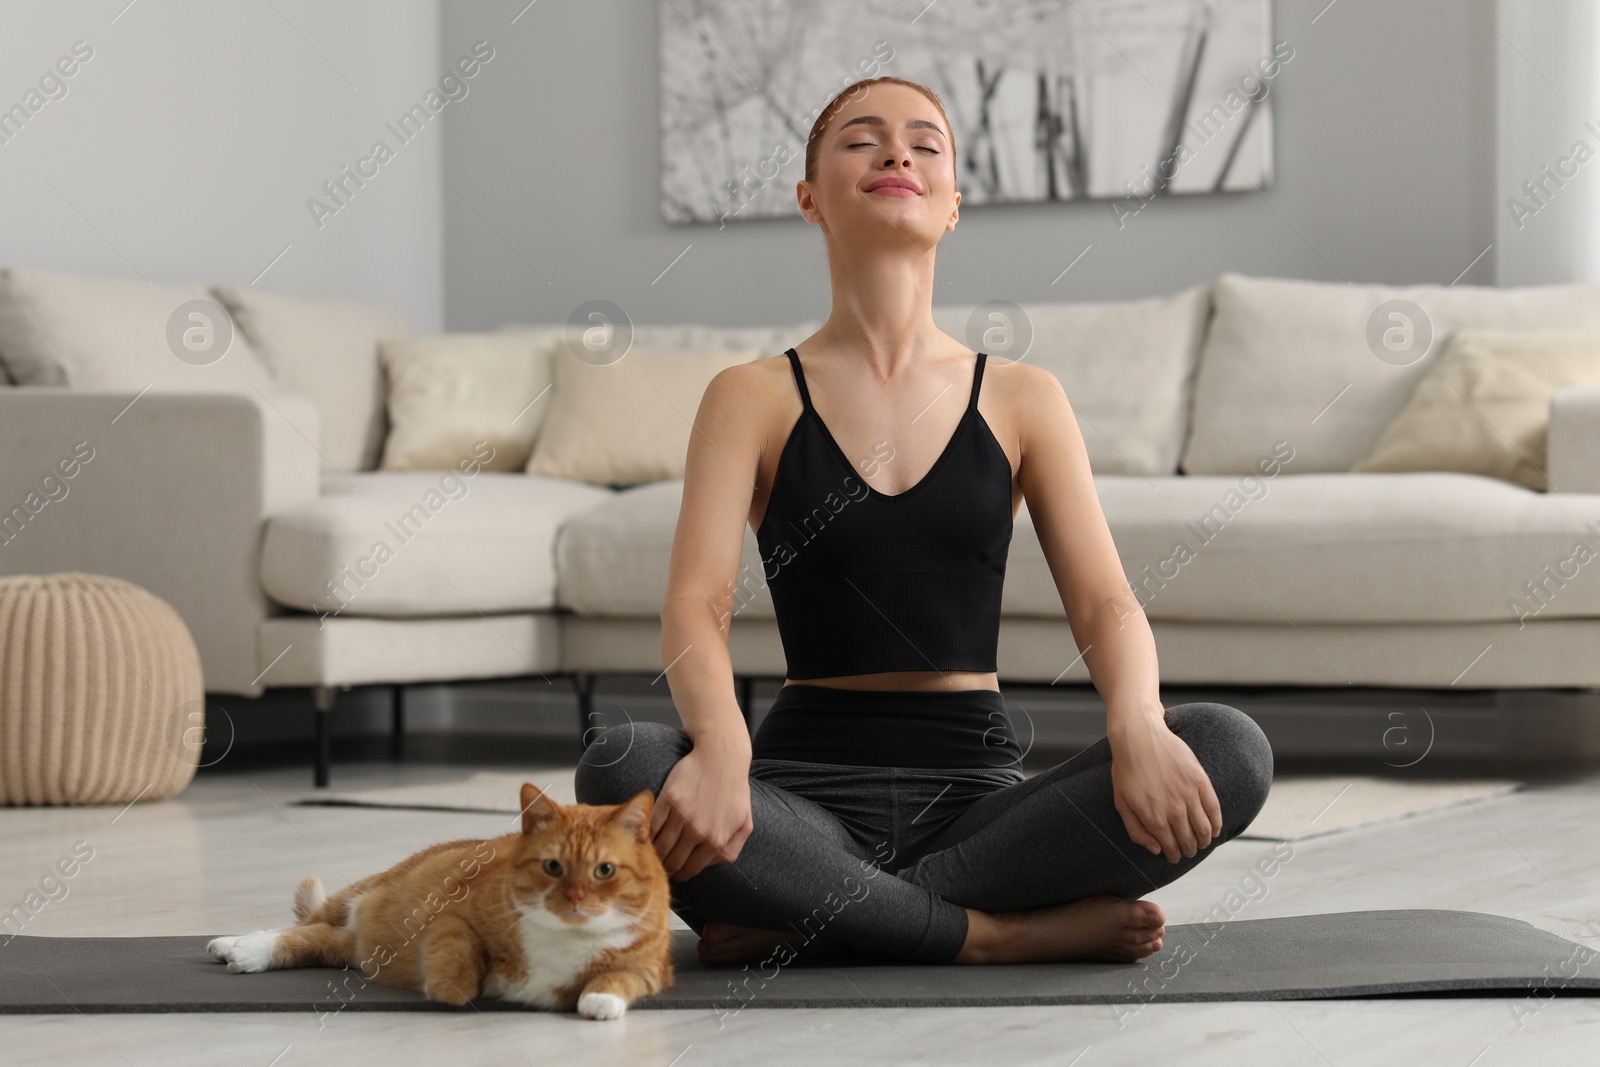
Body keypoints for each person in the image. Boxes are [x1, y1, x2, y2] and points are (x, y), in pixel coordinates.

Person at [575, 76, 1273, 967]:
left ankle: (824, 921)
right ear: (808, 197)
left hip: (981, 811)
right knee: (619, 765)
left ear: (953, 206)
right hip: (797, 806)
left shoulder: (1025, 397)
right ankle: (990, 936)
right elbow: (693, 604)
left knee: (1228, 748)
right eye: (861, 140)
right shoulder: (747, 396)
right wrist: (719, 746)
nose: (897, 153)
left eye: (925, 143)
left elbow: (1106, 605)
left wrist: (1137, 722)